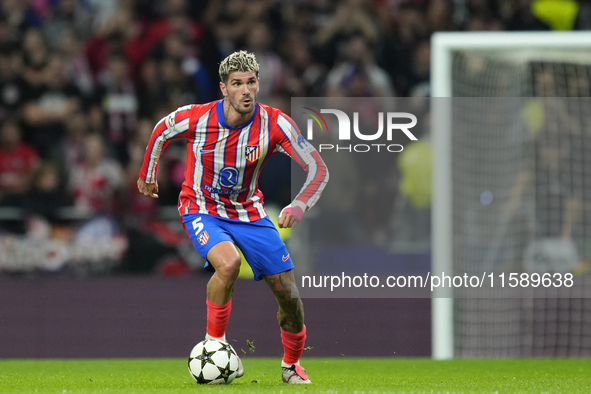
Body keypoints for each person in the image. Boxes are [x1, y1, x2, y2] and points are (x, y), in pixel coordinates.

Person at [137, 51, 328, 384]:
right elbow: (161, 130)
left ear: (258, 84)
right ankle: (215, 343)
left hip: (248, 211)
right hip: (201, 206)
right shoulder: (198, 118)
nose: (246, 91)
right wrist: (148, 173)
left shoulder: (275, 124)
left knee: (288, 295)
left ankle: (291, 365)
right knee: (227, 263)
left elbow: (318, 169)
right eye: (237, 84)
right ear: (224, 88)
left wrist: (299, 205)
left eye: (251, 82)